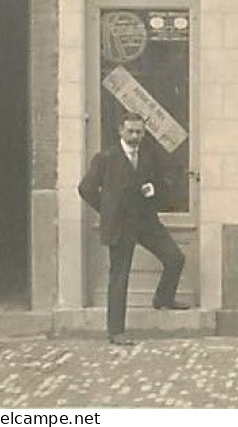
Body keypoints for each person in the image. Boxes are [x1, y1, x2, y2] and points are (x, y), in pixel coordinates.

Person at [78, 110, 189, 345]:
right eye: (130, 131)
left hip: (146, 222)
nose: (135, 136)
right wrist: (107, 210)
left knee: (175, 258)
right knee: (120, 276)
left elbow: (159, 184)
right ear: (121, 130)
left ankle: (163, 298)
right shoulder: (106, 158)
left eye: (139, 132)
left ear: (144, 133)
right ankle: (116, 331)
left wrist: (153, 192)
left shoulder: (148, 156)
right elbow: (85, 188)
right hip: (120, 225)